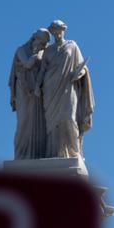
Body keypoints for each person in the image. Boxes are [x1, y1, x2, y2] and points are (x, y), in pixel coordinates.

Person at [36, 20, 94, 158]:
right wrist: (38, 85)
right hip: (50, 88)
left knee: (68, 117)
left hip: (68, 86)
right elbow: (43, 69)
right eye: (54, 31)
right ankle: (54, 152)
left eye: (59, 30)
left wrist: (78, 73)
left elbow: (82, 67)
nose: (57, 33)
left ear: (64, 31)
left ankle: (74, 151)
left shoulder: (72, 46)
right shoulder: (48, 50)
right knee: (51, 123)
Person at [9, 28, 51, 159]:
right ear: (34, 39)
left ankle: (37, 154)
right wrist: (38, 56)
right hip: (23, 90)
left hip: (37, 92)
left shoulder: (43, 52)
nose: (42, 46)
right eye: (41, 42)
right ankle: (21, 154)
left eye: (44, 44)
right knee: (24, 122)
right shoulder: (21, 50)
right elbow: (27, 64)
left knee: (39, 123)